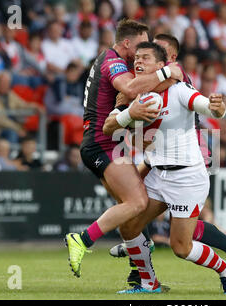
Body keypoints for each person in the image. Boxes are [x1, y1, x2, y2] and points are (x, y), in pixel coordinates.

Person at [109, 33, 226, 290]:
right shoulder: (136, 96)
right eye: (137, 59)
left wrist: (217, 107)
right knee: (129, 225)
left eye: (146, 58)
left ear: (162, 66)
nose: (138, 63)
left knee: (181, 246)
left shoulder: (179, 90)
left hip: (186, 176)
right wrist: (129, 124)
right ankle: (148, 283)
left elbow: (207, 107)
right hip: (158, 173)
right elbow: (127, 131)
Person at [64, 19, 183, 279]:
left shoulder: (113, 60)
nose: (143, 53)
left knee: (129, 209)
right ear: (126, 43)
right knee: (137, 201)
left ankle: (137, 270)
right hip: (102, 144)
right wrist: (166, 73)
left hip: (105, 143)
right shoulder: (113, 61)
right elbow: (130, 88)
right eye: (141, 45)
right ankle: (82, 240)